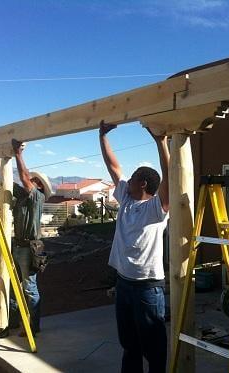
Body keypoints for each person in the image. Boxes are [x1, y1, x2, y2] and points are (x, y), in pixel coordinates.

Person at [99, 121, 170, 373]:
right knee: (129, 345)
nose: (127, 180)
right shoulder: (126, 199)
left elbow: (170, 178)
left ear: (143, 184)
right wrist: (102, 135)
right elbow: (113, 166)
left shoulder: (156, 209)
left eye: (133, 178)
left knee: (154, 349)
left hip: (147, 288)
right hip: (123, 284)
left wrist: (160, 142)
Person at [0, 139, 52, 337]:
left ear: (39, 186)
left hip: (29, 248)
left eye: (34, 180)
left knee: (29, 288)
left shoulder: (37, 198)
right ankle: (14, 322)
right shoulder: (24, 196)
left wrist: (18, 154)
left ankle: (33, 326)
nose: (30, 180)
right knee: (13, 285)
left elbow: (24, 178)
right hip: (17, 246)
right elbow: (4, 177)